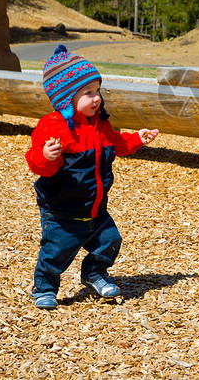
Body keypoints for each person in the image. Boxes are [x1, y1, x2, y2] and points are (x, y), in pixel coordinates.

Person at [25, 45, 159, 310]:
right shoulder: (54, 127)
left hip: (96, 207)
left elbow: (116, 143)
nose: (96, 98)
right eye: (88, 93)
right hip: (63, 209)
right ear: (66, 98)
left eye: (97, 90)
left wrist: (137, 140)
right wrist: (47, 156)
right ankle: (44, 288)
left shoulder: (100, 123)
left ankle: (94, 274)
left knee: (110, 241)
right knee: (55, 253)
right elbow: (38, 165)